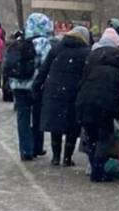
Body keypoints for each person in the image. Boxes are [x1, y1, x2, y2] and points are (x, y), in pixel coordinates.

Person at [76, 30, 119, 182]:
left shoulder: (97, 68)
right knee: (104, 138)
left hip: (84, 104)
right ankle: (98, 171)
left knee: (91, 137)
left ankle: (94, 167)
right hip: (104, 108)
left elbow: (82, 84)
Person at [33, 26, 90, 166]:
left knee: (55, 124)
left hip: (53, 90)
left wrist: (36, 86)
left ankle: (56, 157)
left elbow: (43, 70)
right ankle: (67, 158)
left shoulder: (56, 48)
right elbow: (87, 74)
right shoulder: (86, 52)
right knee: (72, 125)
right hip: (74, 92)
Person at [8, 13, 53, 161]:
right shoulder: (43, 42)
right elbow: (47, 64)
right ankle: (36, 147)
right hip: (34, 84)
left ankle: (25, 149)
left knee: (23, 116)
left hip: (17, 83)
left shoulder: (20, 39)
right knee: (37, 115)